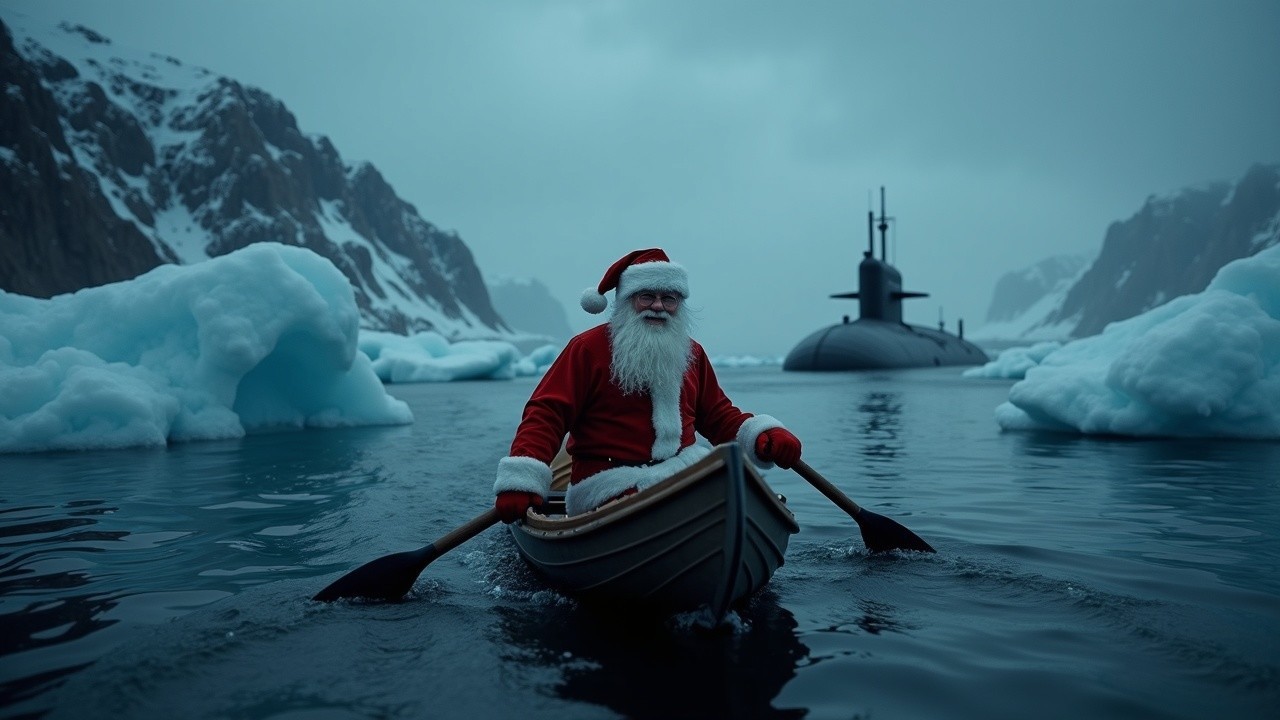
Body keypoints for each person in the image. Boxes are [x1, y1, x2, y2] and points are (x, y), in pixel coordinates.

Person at [492, 248, 803, 521]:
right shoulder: (588, 349)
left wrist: (761, 435)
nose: (658, 306)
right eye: (647, 296)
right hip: (606, 482)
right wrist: (523, 479)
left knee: (734, 486)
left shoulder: (691, 352)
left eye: (668, 298)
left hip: (681, 471)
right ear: (627, 301)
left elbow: (718, 416)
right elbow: (547, 414)